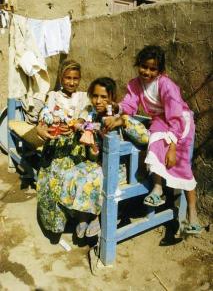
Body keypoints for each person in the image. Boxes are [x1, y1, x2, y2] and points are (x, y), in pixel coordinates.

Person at [37, 76, 149, 238]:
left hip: (120, 169)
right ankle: (83, 216)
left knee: (92, 179)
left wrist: (123, 122)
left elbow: (145, 137)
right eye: (95, 96)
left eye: (104, 97)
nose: (98, 101)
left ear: (112, 98)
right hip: (99, 163)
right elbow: (92, 144)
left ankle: (98, 216)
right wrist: (92, 149)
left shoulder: (119, 116)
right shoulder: (93, 118)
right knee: (70, 174)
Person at [105, 45, 201, 234]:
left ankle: (193, 213)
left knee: (180, 165)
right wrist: (117, 108)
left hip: (179, 120)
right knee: (154, 144)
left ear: (160, 71)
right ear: (138, 65)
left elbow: (175, 116)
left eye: (152, 68)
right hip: (160, 120)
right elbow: (129, 104)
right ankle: (157, 189)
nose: (147, 72)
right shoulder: (135, 84)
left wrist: (172, 146)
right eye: (143, 66)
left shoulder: (166, 85)